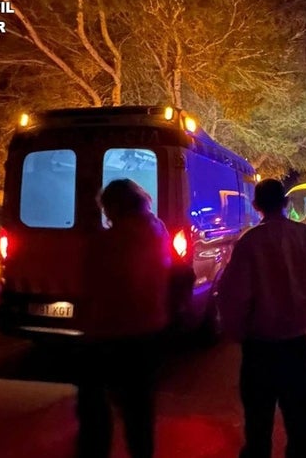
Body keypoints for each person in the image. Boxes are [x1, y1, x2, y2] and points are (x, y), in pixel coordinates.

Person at [218, 179, 306, 458]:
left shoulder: (250, 242)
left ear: (256, 206)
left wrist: (237, 332)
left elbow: (232, 295)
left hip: (259, 348)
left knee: (258, 420)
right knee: (300, 420)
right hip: (295, 344)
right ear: (286, 203)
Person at [75, 179, 172, 458]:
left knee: (94, 409)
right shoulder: (158, 232)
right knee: (139, 413)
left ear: (113, 207)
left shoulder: (107, 242)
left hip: (107, 335)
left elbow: (91, 286)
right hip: (149, 331)